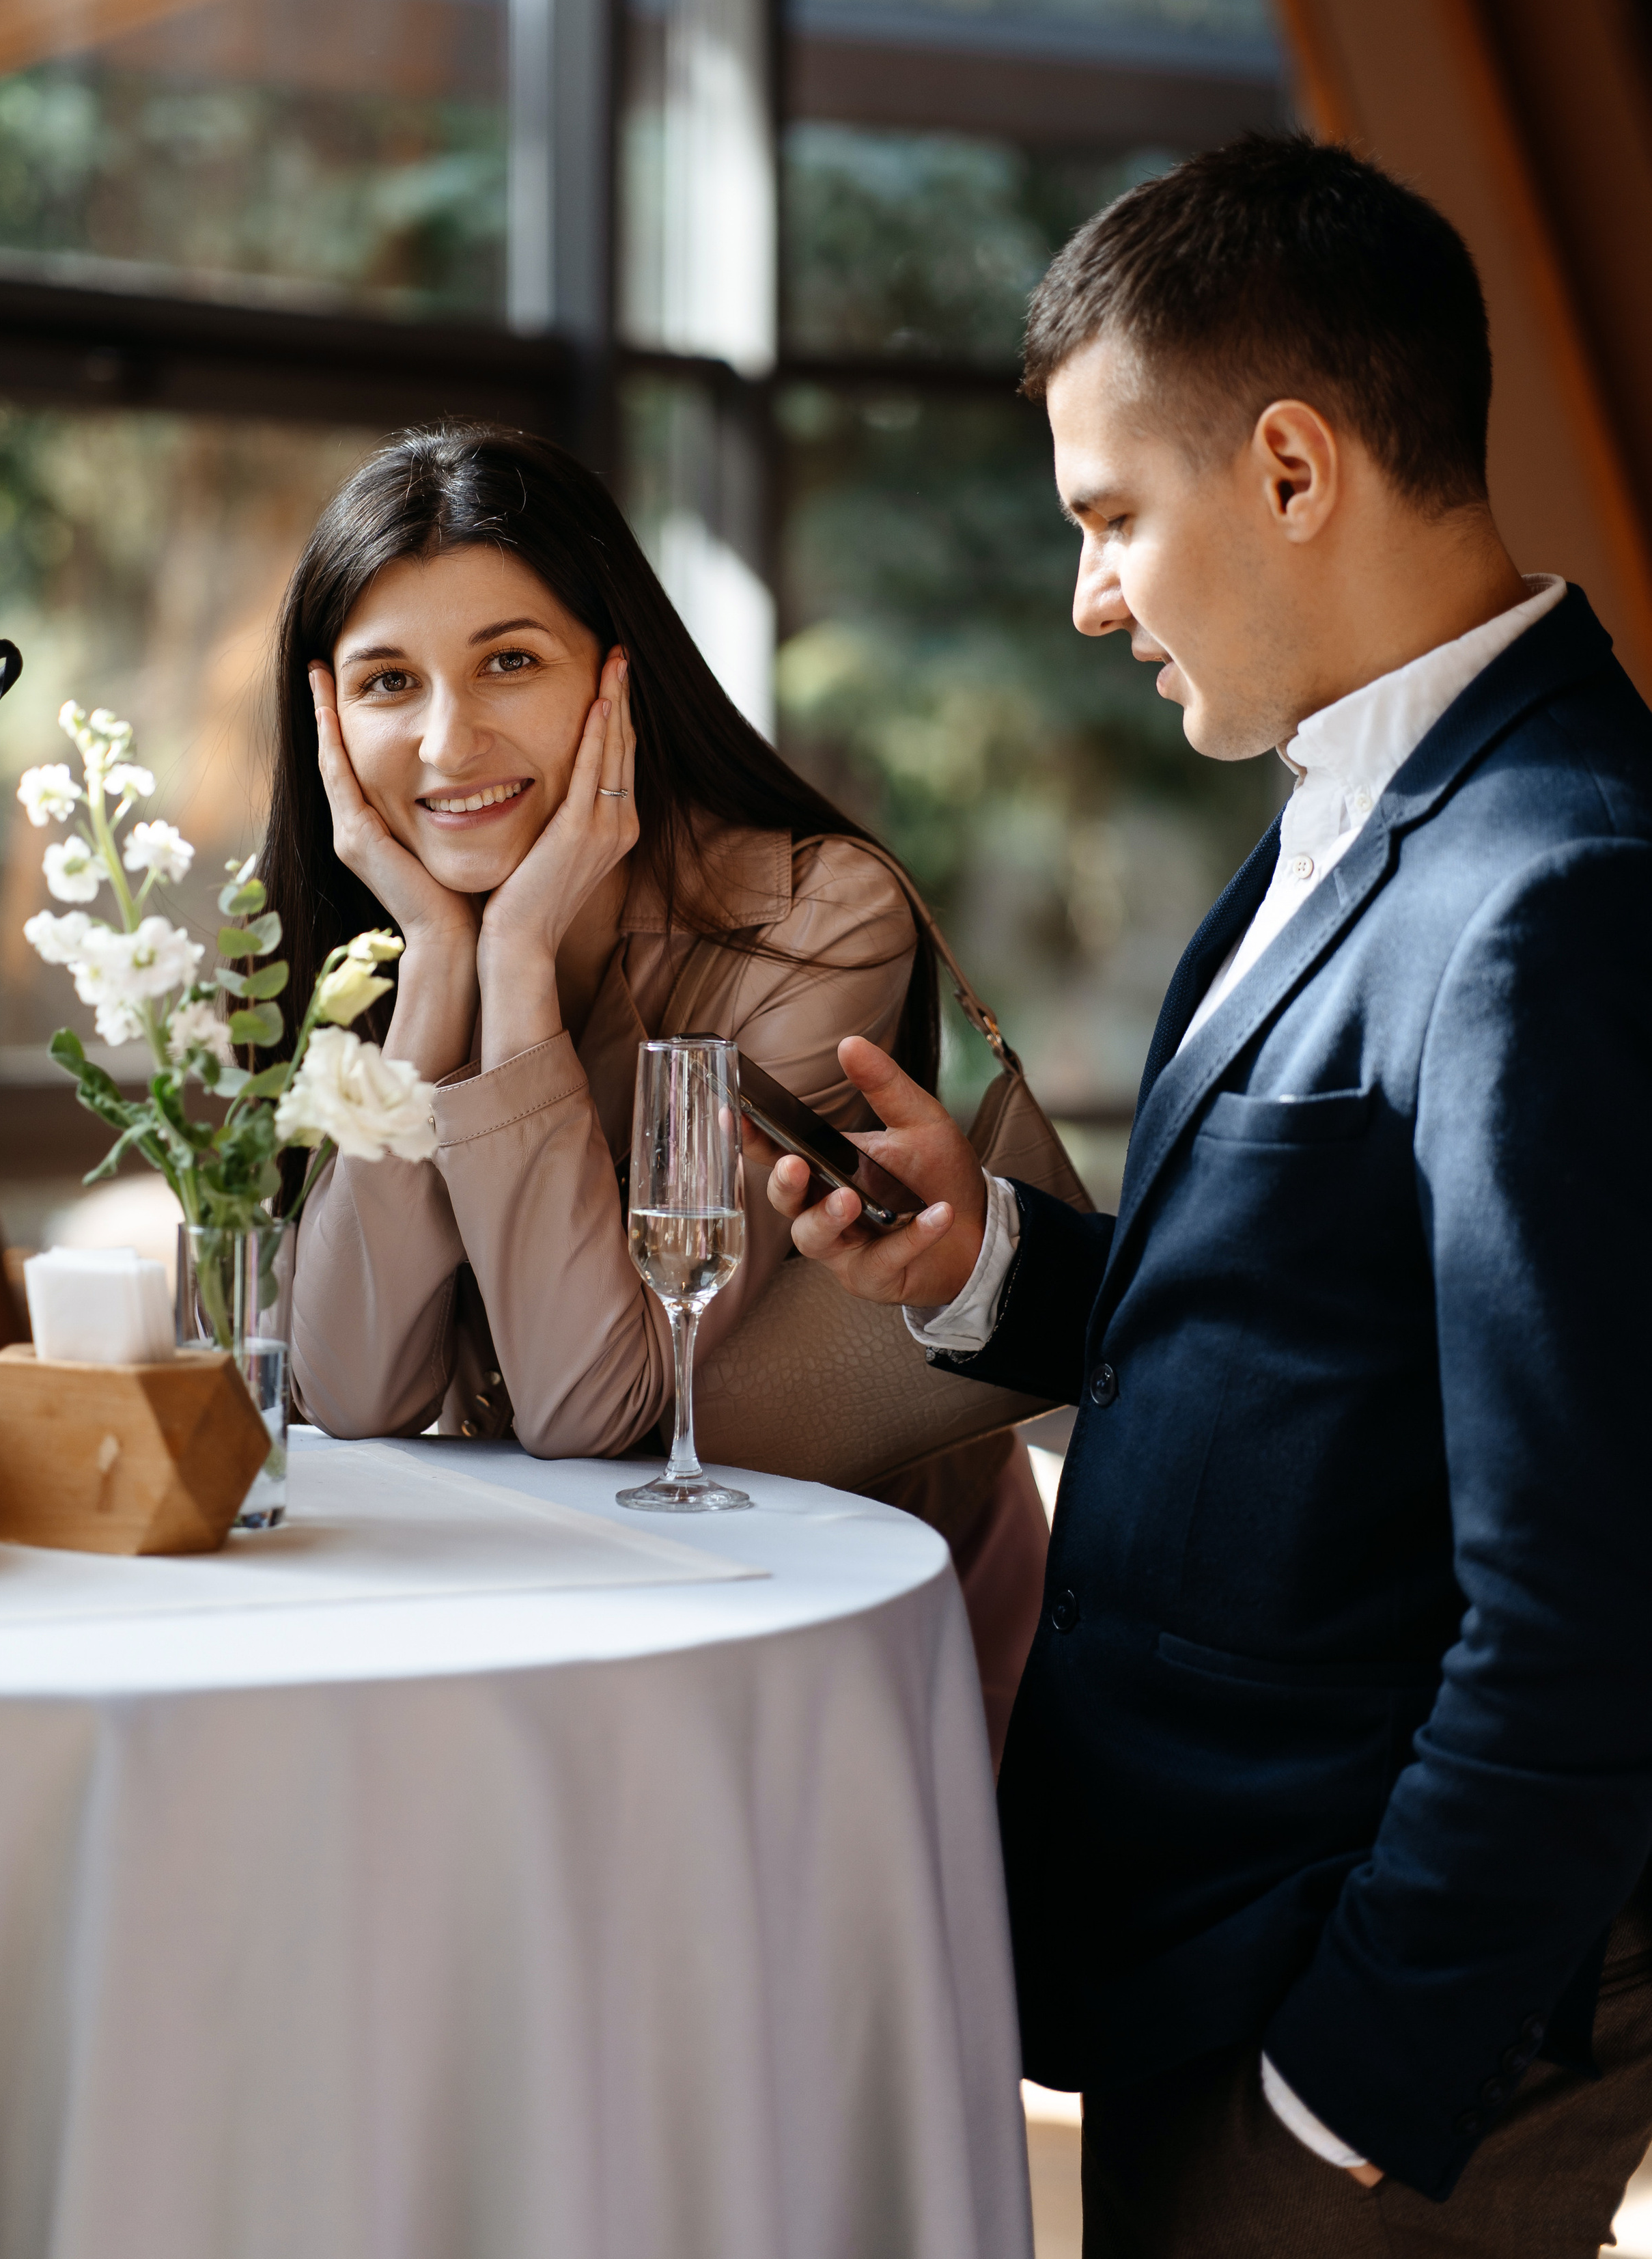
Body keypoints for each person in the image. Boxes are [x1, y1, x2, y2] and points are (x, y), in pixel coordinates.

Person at [762, 136, 1652, 2251]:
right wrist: (993, 1265)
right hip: (1201, 1962)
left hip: (1357, 2031)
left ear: (1288, 467)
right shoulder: (1352, 811)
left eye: (1108, 518)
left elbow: (1594, 1596)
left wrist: (1352, 2086)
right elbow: (1336, 1363)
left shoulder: (1556, 890)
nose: (1088, 598)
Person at [263, 425, 1048, 1735]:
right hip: (565, 1630)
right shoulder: (352, 947)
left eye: (509, 662)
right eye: (389, 682)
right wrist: (440, 978)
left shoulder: (813, 918)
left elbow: (605, 1410)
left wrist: (515, 970)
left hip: (850, 1649)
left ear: (614, 680)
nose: (449, 743)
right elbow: (347, 1393)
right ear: (330, 720)